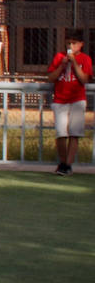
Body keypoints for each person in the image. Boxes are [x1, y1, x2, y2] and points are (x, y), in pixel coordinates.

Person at [45, 31, 91, 175]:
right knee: (61, 133)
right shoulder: (59, 57)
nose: (71, 46)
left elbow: (84, 79)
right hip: (60, 100)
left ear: (81, 45)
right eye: (68, 43)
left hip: (77, 99)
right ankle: (63, 162)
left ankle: (68, 165)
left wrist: (75, 63)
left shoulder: (85, 59)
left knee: (74, 133)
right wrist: (62, 65)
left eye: (74, 43)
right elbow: (51, 78)